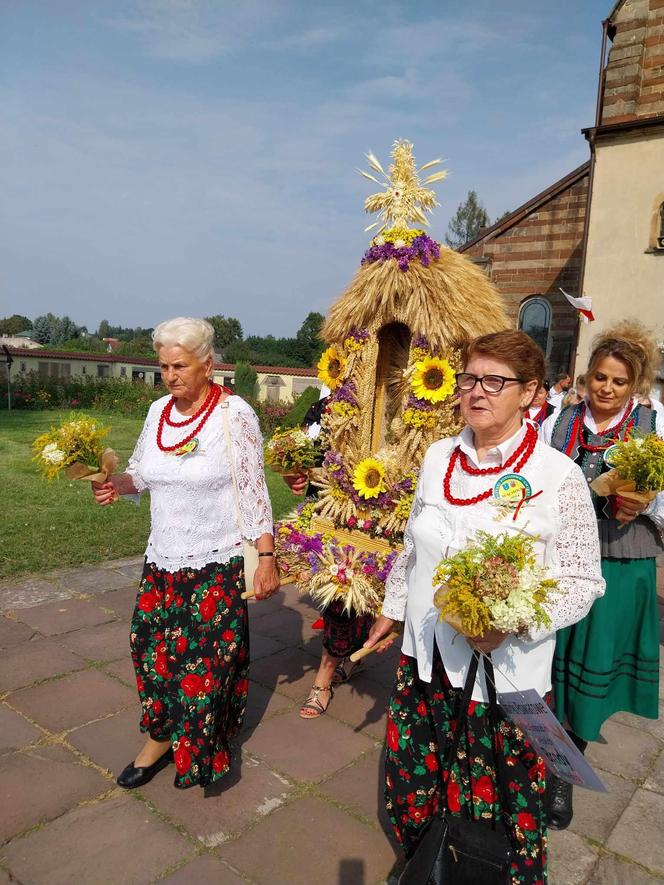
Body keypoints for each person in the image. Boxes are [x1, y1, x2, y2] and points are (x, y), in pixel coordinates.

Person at [364, 330, 604, 883]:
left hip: (505, 675)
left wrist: (513, 623)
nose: (477, 391)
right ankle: (425, 865)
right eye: (470, 378)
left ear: (529, 393)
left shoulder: (557, 477)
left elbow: (581, 581)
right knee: (415, 787)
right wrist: (394, 606)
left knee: (497, 812)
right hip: (425, 662)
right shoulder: (437, 457)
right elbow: (412, 543)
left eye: (495, 381)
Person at [92, 317, 279, 789]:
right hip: (163, 559)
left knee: (203, 666)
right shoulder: (158, 412)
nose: (170, 375)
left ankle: (198, 753)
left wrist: (267, 557)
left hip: (214, 560)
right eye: (163, 367)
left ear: (207, 364)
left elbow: (253, 488)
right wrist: (114, 483)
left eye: (180, 365)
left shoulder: (233, 414)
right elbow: (141, 474)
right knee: (148, 650)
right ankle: (159, 737)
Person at [542, 320, 664, 828]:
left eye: (618, 381)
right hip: (566, 556)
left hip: (623, 560)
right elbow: (543, 482)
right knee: (549, 665)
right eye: (600, 378)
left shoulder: (653, 423)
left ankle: (565, 773)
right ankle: (537, 756)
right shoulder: (561, 421)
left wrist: (645, 505)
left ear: (633, 384)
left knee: (592, 671)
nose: (607, 389)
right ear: (587, 377)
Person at [285, 389, 374, 718]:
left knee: (357, 594)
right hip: (324, 515)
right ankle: (339, 666)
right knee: (338, 596)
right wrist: (294, 475)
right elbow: (300, 454)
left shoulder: (390, 405)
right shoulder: (323, 407)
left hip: (370, 517)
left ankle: (337, 669)